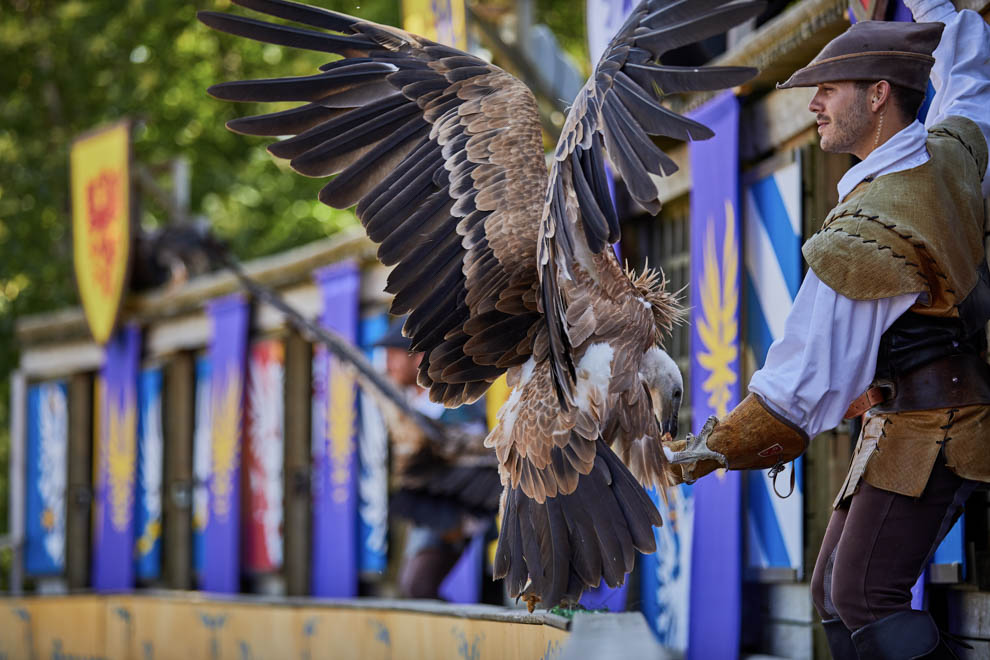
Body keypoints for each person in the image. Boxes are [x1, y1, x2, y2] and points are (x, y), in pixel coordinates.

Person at [664, 2, 990, 658]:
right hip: (916, 419)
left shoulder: (872, 223)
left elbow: (799, 385)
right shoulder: (951, 154)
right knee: (832, 597)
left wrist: (699, 454)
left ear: (877, 96)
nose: (814, 105)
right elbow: (967, 74)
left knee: (864, 598)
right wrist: (927, 8)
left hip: (937, 427)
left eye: (828, 91)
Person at [374, 318, 498, 601]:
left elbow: (483, 461)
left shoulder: (459, 403)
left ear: (418, 358)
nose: (388, 364)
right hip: (424, 505)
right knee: (409, 588)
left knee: (418, 586)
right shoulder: (403, 405)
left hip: (462, 509)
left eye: (394, 355)